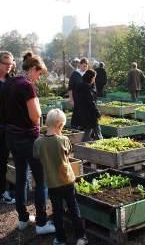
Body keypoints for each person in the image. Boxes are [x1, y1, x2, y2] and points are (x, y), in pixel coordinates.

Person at [3, 52, 55, 234]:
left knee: (21, 177)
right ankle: (41, 223)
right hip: (28, 139)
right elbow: (35, 117)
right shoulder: (27, 86)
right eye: (39, 74)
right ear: (33, 69)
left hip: (12, 136)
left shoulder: (9, 82)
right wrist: (39, 110)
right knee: (41, 180)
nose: (38, 78)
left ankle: (23, 218)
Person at [33, 109, 88, 245]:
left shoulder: (38, 142)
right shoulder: (64, 140)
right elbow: (68, 153)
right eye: (62, 126)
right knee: (73, 208)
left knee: (57, 212)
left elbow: (36, 156)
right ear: (59, 125)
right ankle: (81, 237)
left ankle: (60, 239)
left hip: (52, 183)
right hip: (68, 180)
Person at [0, 51, 15, 204]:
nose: (8, 67)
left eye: (10, 64)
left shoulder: (11, 81)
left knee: (4, 160)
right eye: (5, 64)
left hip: (8, 127)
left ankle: (3, 191)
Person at [76, 69, 102, 141]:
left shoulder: (80, 85)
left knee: (89, 130)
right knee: (96, 131)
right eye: (94, 77)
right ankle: (103, 148)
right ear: (91, 77)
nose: (94, 79)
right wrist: (97, 113)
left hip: (83, 113)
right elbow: (91, 102)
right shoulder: (88, 88)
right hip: (90, 114)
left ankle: (82, 146)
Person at [68, 57, 89, 129]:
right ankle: (74, 128)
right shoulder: (75, 74)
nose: (85, 68)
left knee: (85, 114)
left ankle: (83, 129)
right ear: (80, 65)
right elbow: (70, 88)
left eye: (86, 66)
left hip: (86, 99)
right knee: (76, 114)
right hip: (76, 98)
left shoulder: (88, 74)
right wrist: (71, 99)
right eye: (84, 66)